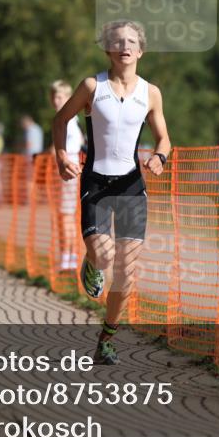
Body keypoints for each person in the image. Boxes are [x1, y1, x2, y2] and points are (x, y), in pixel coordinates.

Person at [52, 20, 171, 365]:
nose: (125, 46)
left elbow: (164, 137)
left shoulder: (151, 93)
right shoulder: (92, 86)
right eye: (118, 41)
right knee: (104, 258)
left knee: (127, 271)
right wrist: (62, 156)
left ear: (141, 50)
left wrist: (161, 156)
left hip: (131, 184)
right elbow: (60, 121)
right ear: (108, 49)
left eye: (131, 41)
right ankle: (91, 264)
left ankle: (107, 338)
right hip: (97, 183)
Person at [50, 80, 86, 272]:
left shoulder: (68, 121)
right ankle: (68, 256)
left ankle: (68, 258)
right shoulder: (70, 120)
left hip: (69, 173)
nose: (56, 101)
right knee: (66, 215)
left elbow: (69, 149)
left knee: (66, 215)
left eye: (60, 97)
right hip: (69, 172)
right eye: (54, 97)